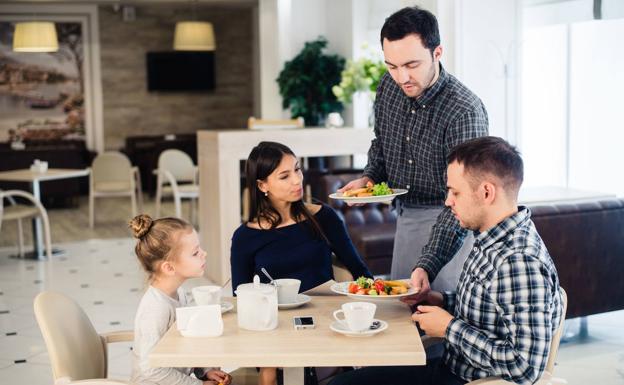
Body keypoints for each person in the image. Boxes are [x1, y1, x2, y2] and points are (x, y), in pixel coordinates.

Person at [329, 136, 564, 385]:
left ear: (486, 192)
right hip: (450, 369)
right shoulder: (491, 236)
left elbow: (526, 368)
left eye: (455, 192)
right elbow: (488, 312)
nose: (447, 201)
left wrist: (449, 328)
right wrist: (440, 300)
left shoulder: (518, 262)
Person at [339, 6, 488, 295]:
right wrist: (369, 179)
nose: (401, 77)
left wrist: (428, 264)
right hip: (406, 215)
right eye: (392, 66)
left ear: (437, 53)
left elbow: (464, 197)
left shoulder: (464, 111)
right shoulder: (388, 87)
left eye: (412, 64)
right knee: (402, 315)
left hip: (451, 221)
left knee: (436, 321)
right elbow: (381, 142)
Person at [231, 141, 373, 385]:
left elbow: (360, 272)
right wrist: (267, 367)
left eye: (297, 169)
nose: (297, 180)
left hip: (329, 327)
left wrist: (369, 313)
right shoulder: (245, 237)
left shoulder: (325, 217)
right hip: (274, 337)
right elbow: (242, 300)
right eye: (285, 176)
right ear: (262, 185)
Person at [129, 214, 232, 385]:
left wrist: (205, 371)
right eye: (195, 253)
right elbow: (150, 369)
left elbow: (182, 347)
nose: (204, 254)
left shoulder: (180, 293)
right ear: (169, 267)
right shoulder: (156, 308)